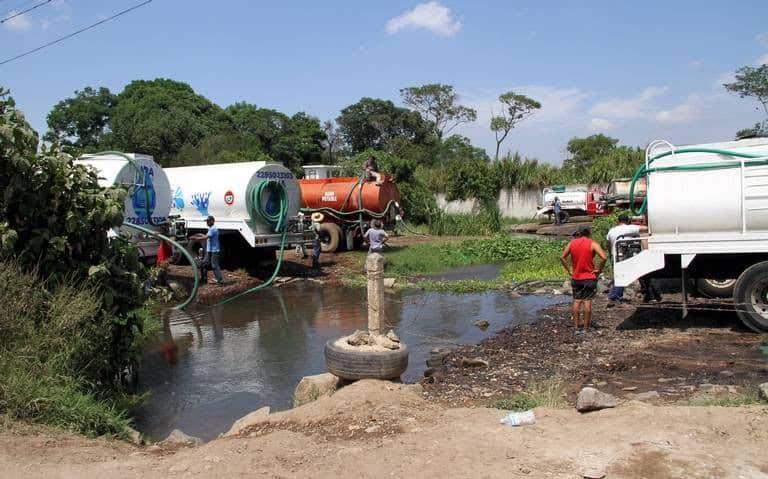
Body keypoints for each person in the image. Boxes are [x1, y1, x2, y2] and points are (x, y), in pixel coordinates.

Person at [560, 225, 607, 334]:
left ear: (579, 233)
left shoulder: (572, 243)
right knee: (587, 301)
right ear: (588, 234)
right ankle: (585, 327)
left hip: (576, 277)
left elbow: (562, 257)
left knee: (576, 301)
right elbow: (604, 257)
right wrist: (598, 270)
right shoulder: (593, 243)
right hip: (589, 277)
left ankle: (576, 327)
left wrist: (569, 270)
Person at [606, 214, 646, 306]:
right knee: (639, 274)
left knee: (619, 275)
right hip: (628, 255)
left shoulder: (612, 230)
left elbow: (608, 244)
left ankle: (615, 295)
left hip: (615, 254)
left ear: (618, 221)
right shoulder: (630, 228)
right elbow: (645, 228)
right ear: (628, 221)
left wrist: (610, 253)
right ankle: (614, 296)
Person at [191, 215, 224, 286]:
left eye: (208, 221)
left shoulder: (213, 229)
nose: (207, 222)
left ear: (212, 221)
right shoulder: (211, 228)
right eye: (206, 221)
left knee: (214, 265)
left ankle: (220, 281)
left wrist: (195, 238)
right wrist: (196, 237)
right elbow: (204, 236)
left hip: (214, 251)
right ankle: (204, 279)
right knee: (204, 264)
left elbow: (205, 237)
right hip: (210, 250)